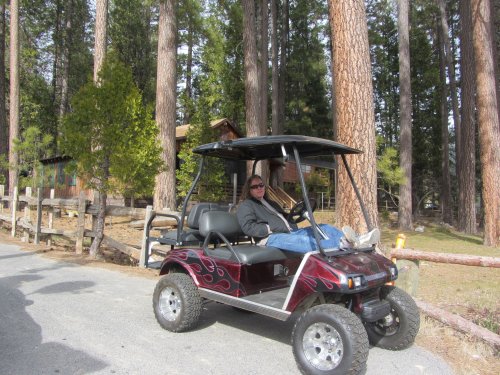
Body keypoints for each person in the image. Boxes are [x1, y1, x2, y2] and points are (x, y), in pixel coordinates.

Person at [236, 175, 346, 253]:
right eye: (255, 187)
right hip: (269, 237)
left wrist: (296, 217)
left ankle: (348, 239)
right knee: (306, 241)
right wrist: (272, 228)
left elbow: (286, 217)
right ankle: (340, 244)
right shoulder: (246, 205)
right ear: (249, 190)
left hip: (290, 232)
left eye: (261, 185)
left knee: (323, 228)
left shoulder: (271, 203)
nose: (259, 188)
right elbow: (248, 227)